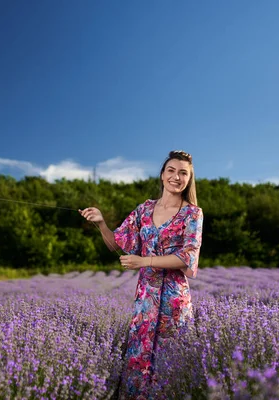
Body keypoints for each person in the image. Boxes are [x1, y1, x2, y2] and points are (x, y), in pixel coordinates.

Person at [79, 150, 204, 400]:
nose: (176, 177)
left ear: (189, 180)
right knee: (139, 357)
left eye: (183, 173)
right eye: (171, 170)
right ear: (161, 175)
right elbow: (118, 244)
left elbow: (187, 257)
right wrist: (101, 223)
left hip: (174, 300)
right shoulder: (144, 210)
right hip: (146, 298)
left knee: (171, 359)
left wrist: (144, 261)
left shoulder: (193, 213)